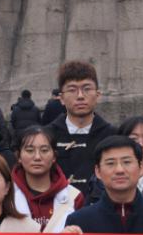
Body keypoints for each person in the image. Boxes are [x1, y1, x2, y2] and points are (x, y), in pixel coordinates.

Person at [63, 136, 143, 235]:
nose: (119, 170)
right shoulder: (79, 223)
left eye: (127, 162)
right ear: (98, 171)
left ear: (141, 167)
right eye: (110, 163)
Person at [47, 60, 114, 194]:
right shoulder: (46, 137)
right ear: (61, 98)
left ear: (98, 95)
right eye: (72, 90)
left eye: (87, 89)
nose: (80, 96)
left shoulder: (113, 136)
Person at [11, 125, 85, 233]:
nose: (37, 157)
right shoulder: (6, 195)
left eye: (44, 150)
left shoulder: (74, 197)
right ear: (18, 156)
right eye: (30, 150)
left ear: (54, 156)